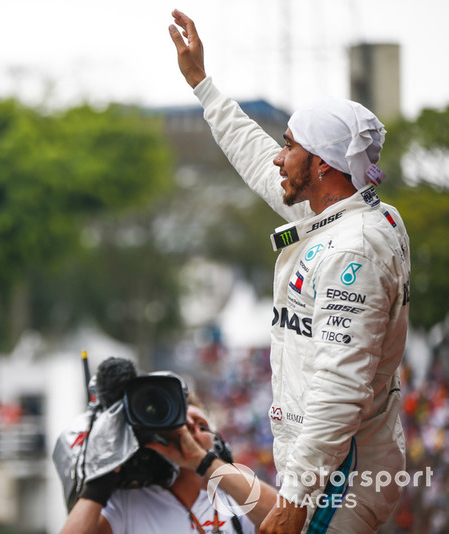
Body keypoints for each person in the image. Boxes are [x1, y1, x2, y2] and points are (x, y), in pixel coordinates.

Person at [167, 9, 411, 533]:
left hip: (341, 476)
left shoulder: (355, 251)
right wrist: (204, 87)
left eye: (291, 145)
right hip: (332, 469)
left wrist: (296, 498)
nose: (280, 157)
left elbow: (340, 386)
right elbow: (259, 162)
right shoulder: (341, 214)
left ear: (322, 163)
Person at [59, 358, 278, 534]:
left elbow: (286, 520)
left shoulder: (233, 502)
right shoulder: (128, 504)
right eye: (181, 422)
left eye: (201, 425)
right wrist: (100, 483)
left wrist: (205, 463)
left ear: (218, 444)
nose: (189, 429)